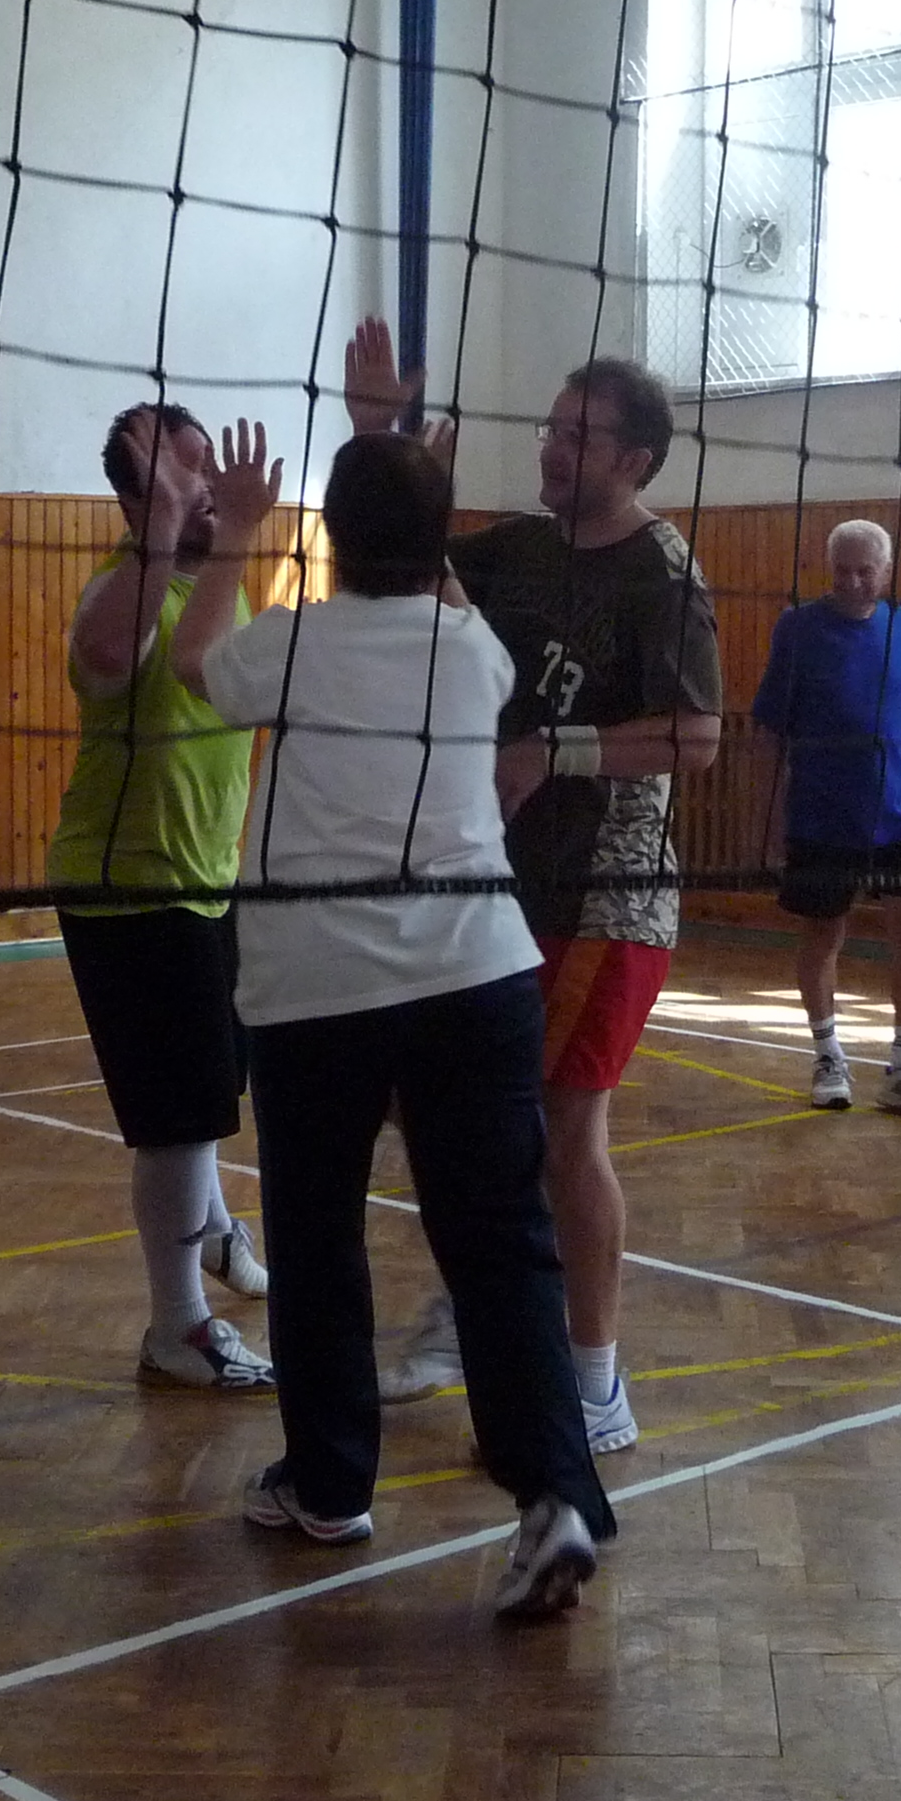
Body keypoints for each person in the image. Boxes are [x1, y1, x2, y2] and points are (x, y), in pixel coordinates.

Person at [170, 422, 612, 1619]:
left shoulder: (292, 639)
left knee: (317, 1239)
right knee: (503, 1245)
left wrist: (238, 534)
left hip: (318, 989)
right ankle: (554, 1496)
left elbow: (190, 663)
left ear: (332, 535)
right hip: (478, 976)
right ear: (441, 540)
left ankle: (328, 1487)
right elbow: (437, 584)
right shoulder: (473, 649)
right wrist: (402, 466)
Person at [343, 319, 721, 1457]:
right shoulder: (516, 549)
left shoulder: (663, 576)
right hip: (495, 883)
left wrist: (554, 751)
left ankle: (596, 1381)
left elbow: (697, 737)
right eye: (552, 429)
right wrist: (377, 436)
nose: (553, 449)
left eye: (580, 436)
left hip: (606, 892)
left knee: (563, 1126)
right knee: (444, 1106)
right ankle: (479, 1308)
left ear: (635, 461)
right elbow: (420, 575)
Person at [48, 400, 273, 1393]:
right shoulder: (121, 589)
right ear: (141, 493)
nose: (206, 481)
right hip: (132, 891)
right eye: (183, 468)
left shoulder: (219, 587)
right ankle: (178, 1327)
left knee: (209, 1090)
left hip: (211, 884)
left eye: (206, 463)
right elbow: (107, 657)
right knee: (179, 1120)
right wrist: (165, 520)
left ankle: (215, 1231)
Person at [752, 518, 901, 1118]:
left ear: (886, 571)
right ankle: (827, 1056)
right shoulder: (798, 628)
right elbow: (769, 730)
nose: (854, 581)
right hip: (822, 813)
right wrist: (765, 821)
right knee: (823, 932)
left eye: (866, 571)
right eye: (843, 570)